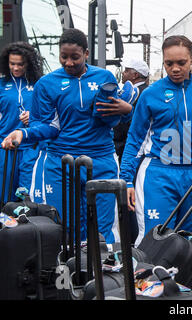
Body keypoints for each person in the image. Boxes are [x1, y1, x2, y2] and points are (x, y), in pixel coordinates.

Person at [1, 28, 133, 244]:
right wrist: (22, 133)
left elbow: (116, 120)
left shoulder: (105, 77)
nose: (69, 62)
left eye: (75, 57)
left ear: (86, 53)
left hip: (101, 161)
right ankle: (70, 273)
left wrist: (127, 110)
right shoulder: (47, 83)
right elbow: (48, 127)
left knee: (102, 228)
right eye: (64, 57)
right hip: (61, 163)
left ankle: (103, 273)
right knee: (66, 228)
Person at [120, 35, 192, 253]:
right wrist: (126, 180)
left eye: (181, 63)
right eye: (169, 63)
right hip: (158, 175)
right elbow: (135, 140)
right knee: (156, 241)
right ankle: (153, 286)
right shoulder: (150, 94)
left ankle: (191, 287)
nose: (175, 69)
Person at [0, 42, 44, 202]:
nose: (16, 68)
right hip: (6, 147)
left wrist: (33, 116)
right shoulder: (1, 84)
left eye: (20, 64)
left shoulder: (39, 84)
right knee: (5, 197)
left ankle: (27, 225)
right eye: (12, 64)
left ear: (29, 63)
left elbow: (50, 115)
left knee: (27, 196)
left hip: (31, 148)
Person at [113, 58, 150, 164]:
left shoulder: (138, 93)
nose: (123, 73)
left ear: (135, 75)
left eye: (126, 71)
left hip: (129, 148)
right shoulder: (147, 91)